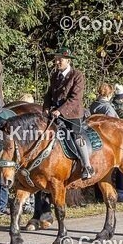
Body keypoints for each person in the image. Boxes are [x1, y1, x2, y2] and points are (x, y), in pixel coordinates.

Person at [44, 47, 94, 180]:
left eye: (60, 59)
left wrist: (60, 111)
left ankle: (87, 166)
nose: (57, 62)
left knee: (76, 135)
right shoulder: (54, 75)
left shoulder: (77, 75)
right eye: (56, 59)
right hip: (54, 113)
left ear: (68, 60)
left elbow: (75, 98)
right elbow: (49, 94)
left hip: (72, 113)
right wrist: (46, 107)